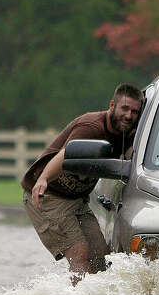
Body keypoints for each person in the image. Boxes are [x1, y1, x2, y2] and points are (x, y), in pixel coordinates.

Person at [21, 83, 143, 284]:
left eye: (135, 111)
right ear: (112, 105)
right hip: (48, 196)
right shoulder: (91, 127)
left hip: (76, 200)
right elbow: (67, 153)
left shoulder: (127, 133)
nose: (129, 116)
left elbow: (133, 159)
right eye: (125, 108)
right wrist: (43, 178)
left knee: (100, 255)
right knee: (80, 252)